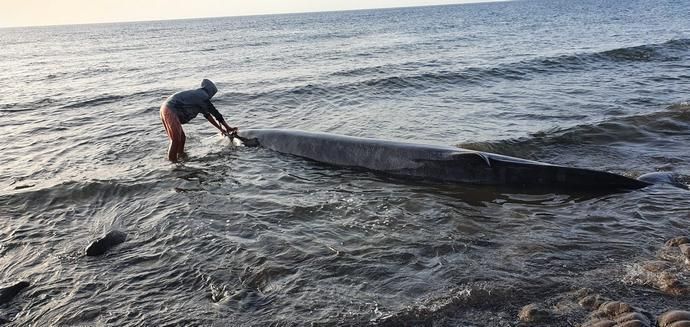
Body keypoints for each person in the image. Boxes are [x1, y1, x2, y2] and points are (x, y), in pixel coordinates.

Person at [159, 79, 237, 162]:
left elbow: (211, 114)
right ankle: (173, 164)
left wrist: (223, 128)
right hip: (170, 109)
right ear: (210, 91)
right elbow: (212, 115)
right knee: (175, 139)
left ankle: (180, 155)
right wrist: (225, 128)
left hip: (166, 108)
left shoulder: (199, 97)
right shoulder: (202, 96)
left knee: (182, 138)